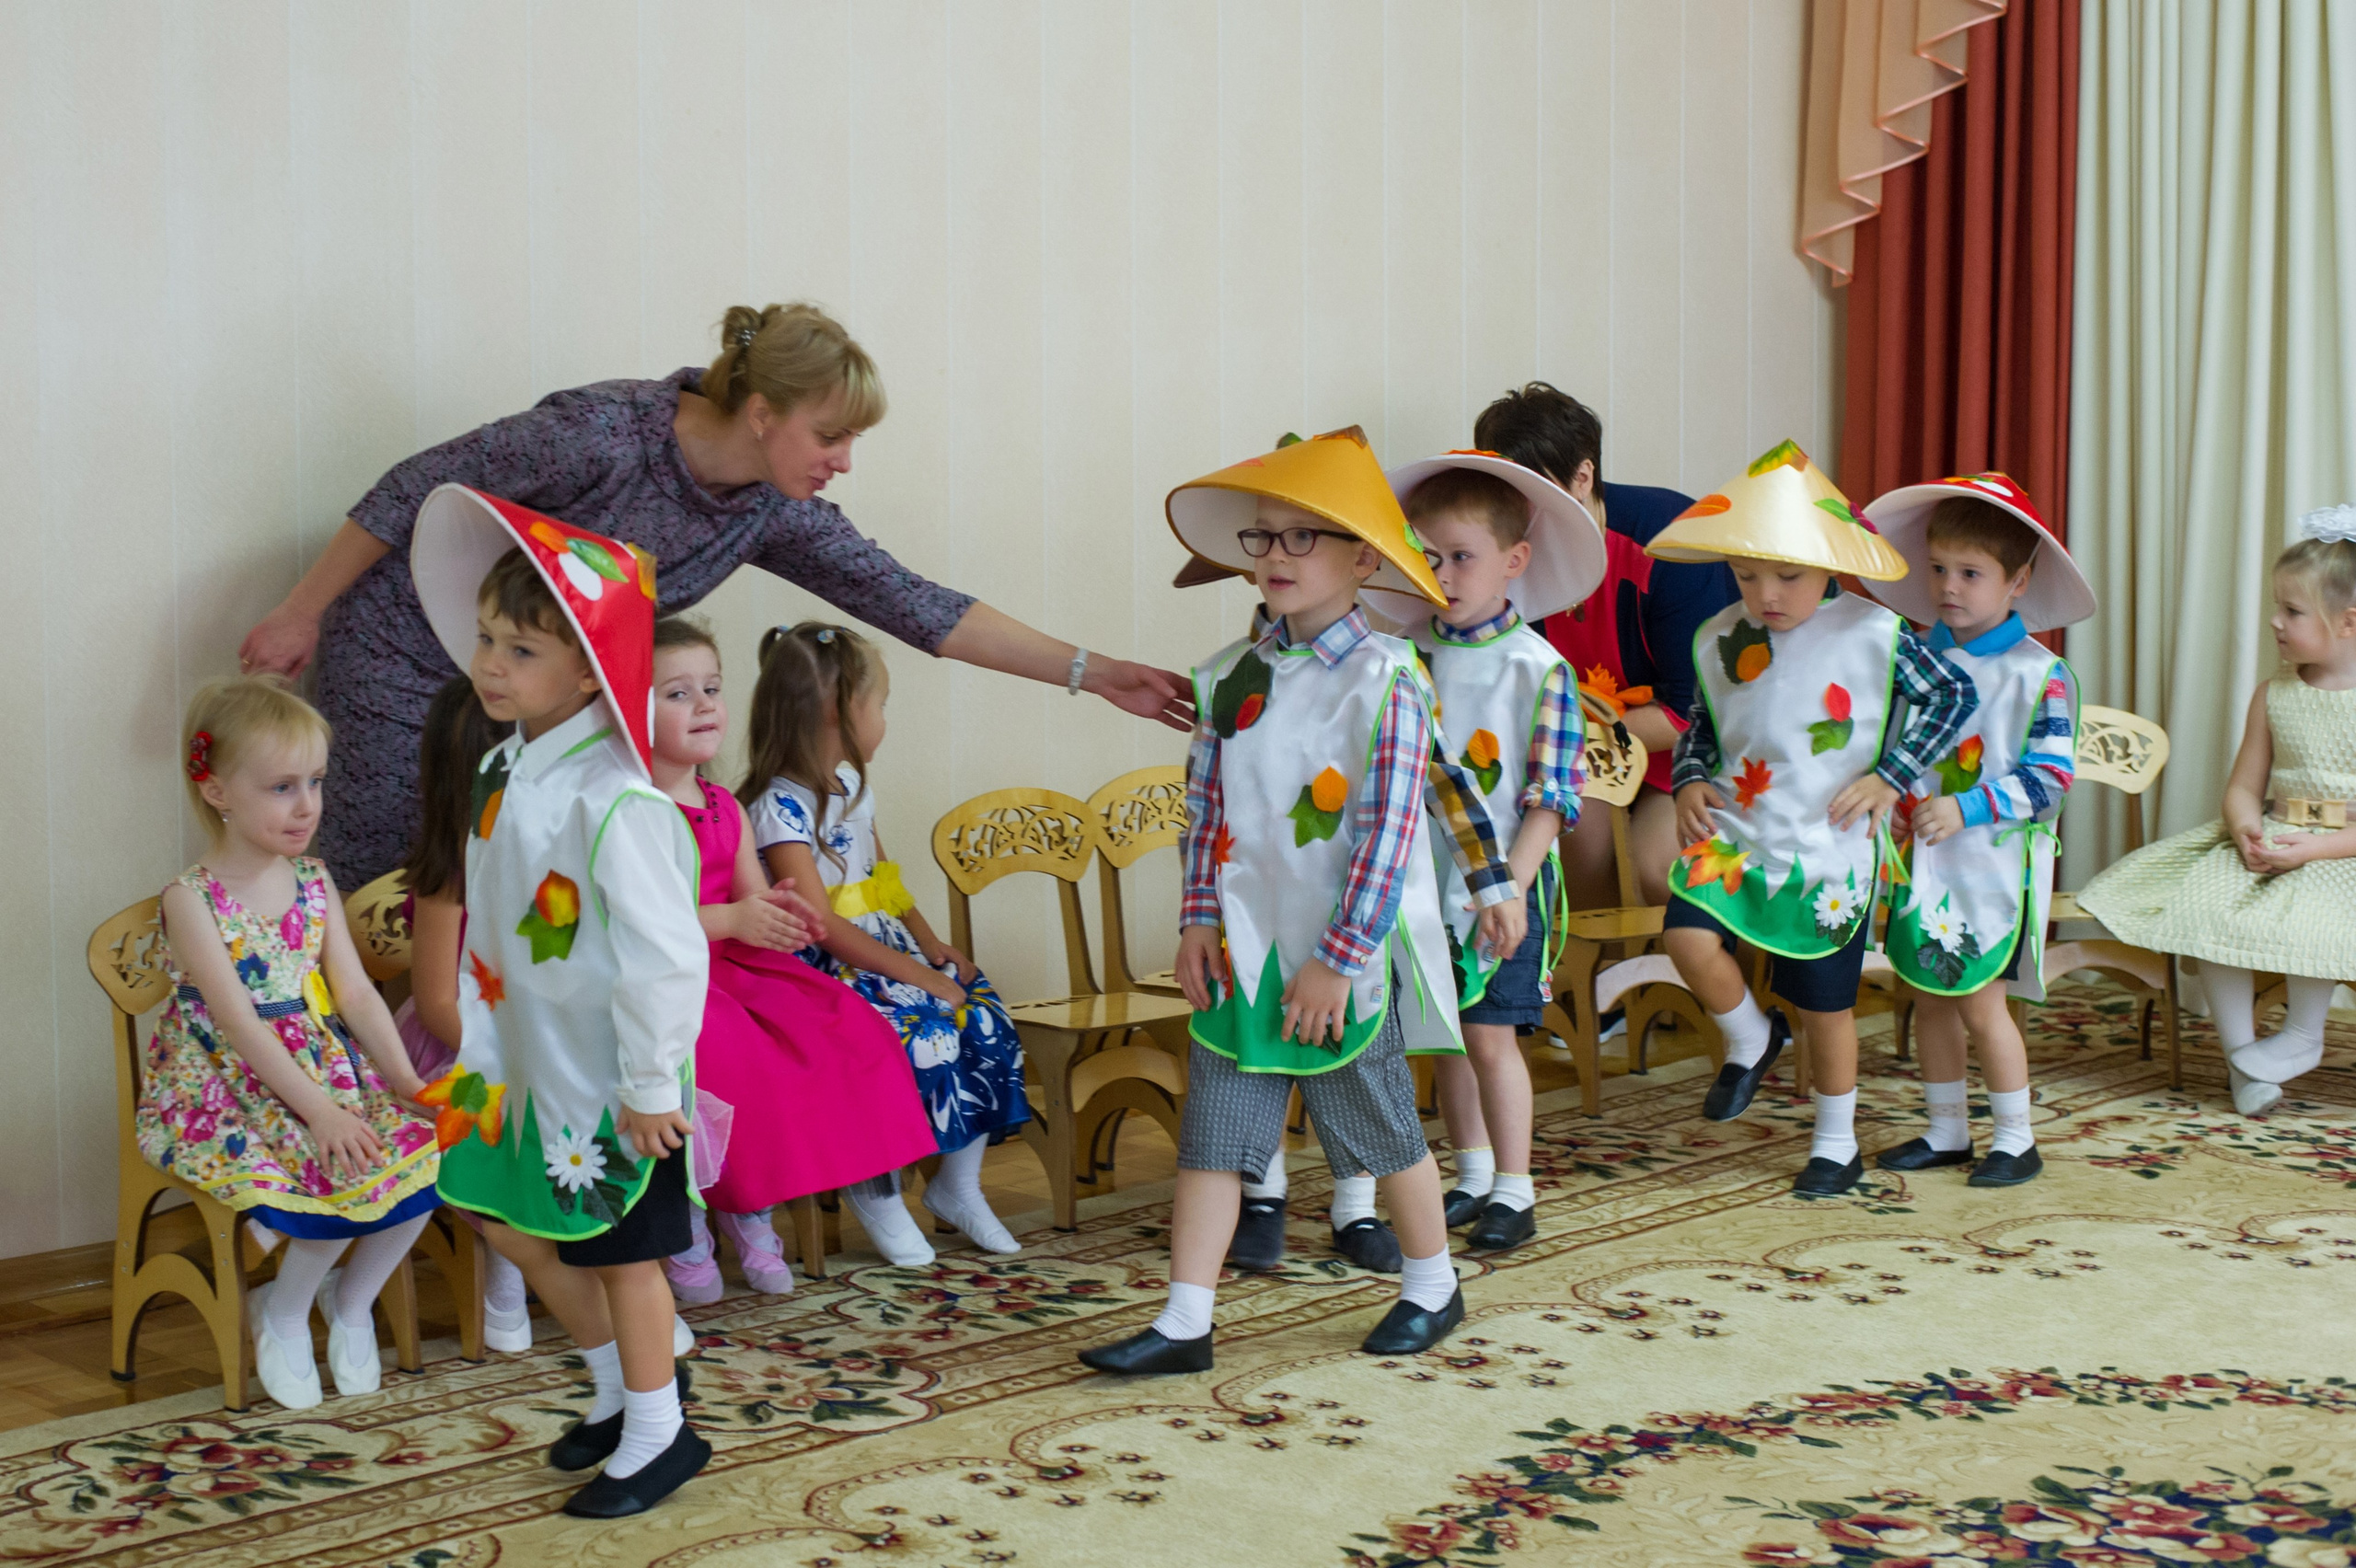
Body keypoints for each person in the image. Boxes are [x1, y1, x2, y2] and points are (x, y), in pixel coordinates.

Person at [237, 301, 1194, 890]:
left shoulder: (768, 508)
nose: (843, 463)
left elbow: (913, 604)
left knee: (510, 895)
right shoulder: (604, 434)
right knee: (389, 890)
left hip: (539, 702)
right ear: (763, 411)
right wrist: (302, 609)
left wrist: (1095, 671)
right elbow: (413, 484)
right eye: (830, 437)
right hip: (404, 661)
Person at [1078, 428, 1524, 1377]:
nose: (1275, 557)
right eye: (1263, 538)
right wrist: (1196, 917)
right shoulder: (1227, 677)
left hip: (1337, 959)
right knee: (1214, 1133)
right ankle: (1186, 1319)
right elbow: (1207, 811)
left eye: (1301, 538)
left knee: (1378, 1130)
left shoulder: (1389, 680)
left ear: (1364, 556)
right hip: (1243, 945)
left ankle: (1432, 1286)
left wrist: (1338, 958)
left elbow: (1390, 832)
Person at [410, 487, 710, 1517]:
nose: (491, 663)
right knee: (505, 1218)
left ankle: (663, 1432)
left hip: (608, 1076)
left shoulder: (615, 798)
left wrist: (646, 1082)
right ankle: (617, 1392)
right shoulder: (505, 767)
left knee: (624, 1253)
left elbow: (666, 957)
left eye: (523, 650)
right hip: (518, 1059)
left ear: (590, 666)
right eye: (489, 639)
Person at [1648, 443, 1976, 1198]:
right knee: (1686, 936)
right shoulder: (1720, 638)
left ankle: (1836, 1143)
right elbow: (1705, 723)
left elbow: (1953, 699)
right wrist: (1692, 778)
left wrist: (1891, 775)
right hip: (1736, 832)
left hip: (1827, 849)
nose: (1766, 592)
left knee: (1825, 1006)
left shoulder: (1876, 632)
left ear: (1830, 561)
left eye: (1787, 574)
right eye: (1746, 572)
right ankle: (1750, 1037)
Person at [137, 676, 440, 1411]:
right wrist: (320, 1112)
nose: (306, 805)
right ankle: (279, 1312)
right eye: (281, 787)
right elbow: (239, 1026)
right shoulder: (191, 899)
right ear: (216, 792)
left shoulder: (314, 879)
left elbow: (358, 995)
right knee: (333, 1160)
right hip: (223, 1088)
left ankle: (349, 1301)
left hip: (323, 1068)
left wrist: (404, 1082)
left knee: (429, 1147)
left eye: (314, 782)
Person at [641, 618, 938, 1301]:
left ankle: (766, 1212)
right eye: (678, 693)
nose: (707, 705)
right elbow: (635, 924)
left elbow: (753, 899)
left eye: (712, 688)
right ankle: (694, 1228)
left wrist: (783, 915)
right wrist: (736, 919)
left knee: (846, 1025)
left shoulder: (724, 807)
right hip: (670, 974)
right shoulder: (631, 811)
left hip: (736, 963)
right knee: (731, 1058)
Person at [1370, 455, 1603, 1252]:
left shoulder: (1538, 670)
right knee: (1440, 1034)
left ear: (1514, 561)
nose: (1442, 574)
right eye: (1427, 556)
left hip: (1504, 891)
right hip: (1414, 890)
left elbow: (1551, 798)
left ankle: (1514, 1187)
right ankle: (1469, 1173)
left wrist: (1503, 889)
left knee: (1491, 1036)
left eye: (1462, 557)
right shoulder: (1401, 654)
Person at [746, 622, 1031, 1264]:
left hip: (884, 948)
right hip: (822, 972)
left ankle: (957, 1188)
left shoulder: (853, 790)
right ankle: (873, 1190)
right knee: (910, 1035)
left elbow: (884, 882)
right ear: (835, 712)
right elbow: (821, 924)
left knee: (982, 1015)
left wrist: (934, 950)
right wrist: (917, 977)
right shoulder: (776, 810)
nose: (884, 718)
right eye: (880, 703)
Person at [2080, 507, 2356, 1115]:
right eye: (2276, 606)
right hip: (2277, 835)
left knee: (2312, 916)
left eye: (2292, 611)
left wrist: (2314, 849)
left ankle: (2304, 1034)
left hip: (2341, 852)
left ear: (2348, 622)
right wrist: (2246, 828)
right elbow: (2241, 786)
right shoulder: (2275, 693)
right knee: (2208, 914)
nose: (2274, 621)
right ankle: (2243, 1062)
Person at [1863, 475, 2092, 1187]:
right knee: (1926, 991)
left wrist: (1967, 807)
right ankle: (1946, 1128)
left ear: (2018, 580)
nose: (1948, 587)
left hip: (1990, 863)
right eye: (1937, 569)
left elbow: (2050, 778)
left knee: (1979, 997)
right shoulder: (1915, 661)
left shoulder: (2040, 675)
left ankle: (2017, 1137)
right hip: (1924, 858)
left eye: (1970, 573)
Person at [1471, 384, 1741, 909]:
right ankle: (1588, 984)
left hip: (1691, 749)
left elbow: (1696, 710)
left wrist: (1562, 735)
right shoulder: (1509, 552)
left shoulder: (1669, 542)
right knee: (1575, 848)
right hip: (1586, 751)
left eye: (1535, 493)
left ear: (1583, 477)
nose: (1517, 513)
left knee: (1654, 869)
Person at [388, 675, 535, 1348]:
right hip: (458, 1043)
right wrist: (500, 1052)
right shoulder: (451, 873)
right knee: (495, 1117)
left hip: (536, 1032)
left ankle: (626, 1275)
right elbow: (439, 999)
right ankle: (507, 1269)